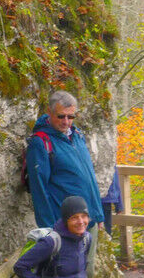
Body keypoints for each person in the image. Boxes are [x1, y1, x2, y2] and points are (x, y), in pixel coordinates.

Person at [26, 91, 105, 230]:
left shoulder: (77, 135)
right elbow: (39, 189)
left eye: (71, 116)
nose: (66, 121)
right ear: (49, 112)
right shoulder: (41, 143)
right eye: (61, 116)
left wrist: (98, 214)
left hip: (88, 219)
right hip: (66, 224)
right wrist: (49, 227)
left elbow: (90, 178)